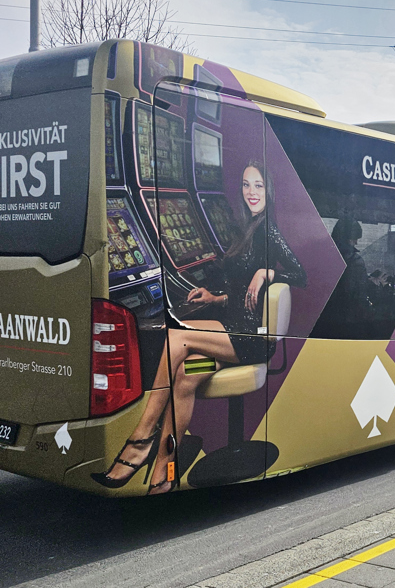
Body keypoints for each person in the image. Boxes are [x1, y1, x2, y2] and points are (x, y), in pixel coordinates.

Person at [92, 161, 306, 495]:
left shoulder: (268, 230)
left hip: (249, 339)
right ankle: (163, 472)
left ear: (269, 191)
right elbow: (238, 293)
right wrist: (215, 297)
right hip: (231, 328)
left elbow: (300, 273)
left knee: (176, 336)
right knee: (188, 375)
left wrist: (268, 273)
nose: (252, 192)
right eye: (247, 185)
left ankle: (141, 437)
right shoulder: (248, 227)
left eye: (259, 186)